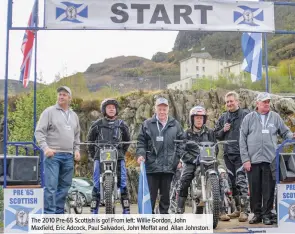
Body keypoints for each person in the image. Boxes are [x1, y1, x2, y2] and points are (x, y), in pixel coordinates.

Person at [240, 92, 295, 225]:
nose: (267, 104)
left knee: (268, 189)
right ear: (257, 103)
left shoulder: (275, 117)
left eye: (268, 102)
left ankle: (266, 214)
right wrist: (245, 159)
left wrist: (291, 135)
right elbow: (242, 139)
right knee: (254, 189)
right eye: (264, 102)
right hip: (253, 160)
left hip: (270, 159)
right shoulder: (249, 118)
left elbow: (284, 131)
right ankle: (256, 214)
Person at [176, 106, 230, 220]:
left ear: (204, 119)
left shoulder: (210, 132)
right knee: (184, 179)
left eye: (201, 118)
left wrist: (211, 156)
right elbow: (181, 150)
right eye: (197, 118)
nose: (199, 120)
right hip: (192, 161)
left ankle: (221, 210)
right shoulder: (186, 133)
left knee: (220, 179)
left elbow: (215, 147)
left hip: (208, 160)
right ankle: (179, 209)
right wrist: (191, 159)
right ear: (192, 119)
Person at [35, 86, 81, 214]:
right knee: (51, 187)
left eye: (64, 95)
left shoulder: (74, 115)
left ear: (69, 98)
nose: (61, 97)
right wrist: (45, 148)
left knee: (65, 187)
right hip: (53, 156)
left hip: (68, 157)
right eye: (60, 94)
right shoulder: (49, 112)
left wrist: (77, 150)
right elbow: (39, 132)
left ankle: (59, 214)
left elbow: (77, 135)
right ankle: (49, 215)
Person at [136, 97, 183, 214]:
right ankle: (149, 221)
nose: (162, 111)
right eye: (159, 108)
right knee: (150, 196)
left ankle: (163, 219)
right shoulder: (147, 124)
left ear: (168, 109)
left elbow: (182, 143)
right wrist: (141, 155)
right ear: (155, 109)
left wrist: (178, 159)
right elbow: (141, 142)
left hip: (169, 167)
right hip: (152, 167)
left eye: (164, 109)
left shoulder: (175, 124)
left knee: (165, 196)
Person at [86, 98, 131, 214]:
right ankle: (93, 212)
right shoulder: (97, 124)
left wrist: (121, 152)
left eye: (113, 107)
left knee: (123, 183)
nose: (111, 109)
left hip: (118, 156)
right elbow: (90, 141)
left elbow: (127, 140)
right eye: (108, 107)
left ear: (116, 110)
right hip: (100, 156)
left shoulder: (122, 124)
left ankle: (126, 211)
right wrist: (93, 155)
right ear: (104, 110)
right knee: (96, 183)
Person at [214, 91, 249, 222]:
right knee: (232, 183)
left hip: (242, 154)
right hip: (228, 155)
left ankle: (245, 211)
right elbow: (216, 135)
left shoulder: (246, 115)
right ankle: (238, 209)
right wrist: (224, 130)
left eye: (231, 101)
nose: (229, 103)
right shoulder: (223, 117)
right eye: (227, 102)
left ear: (237, 101)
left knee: (241, 182)